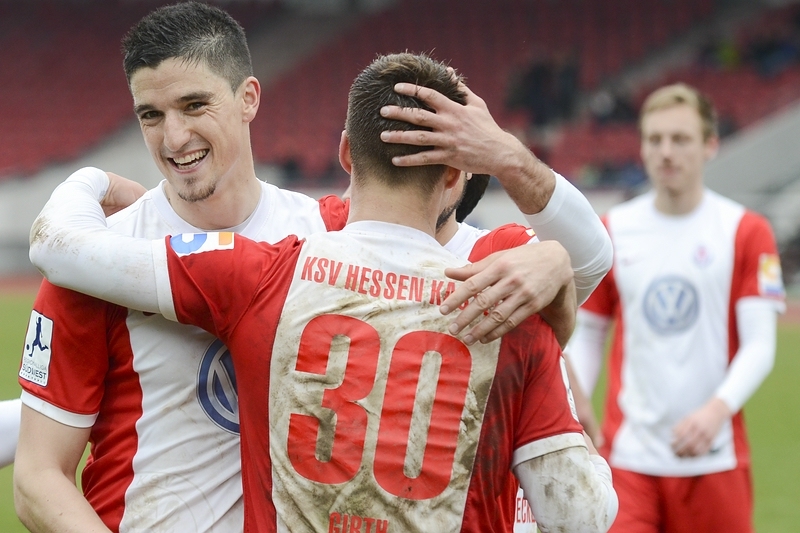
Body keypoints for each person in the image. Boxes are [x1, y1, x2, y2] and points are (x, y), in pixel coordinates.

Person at [14, 4, 612, 533]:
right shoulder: (99, 262)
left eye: (195, 105)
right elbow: (38, 479)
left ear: (249, 98)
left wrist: (553, 258)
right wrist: (89, 182)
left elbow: (551, 261)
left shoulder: (329, 234)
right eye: (150, 115)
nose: (174, 137)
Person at [565, 83, 786, 533]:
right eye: (655, 139)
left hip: (714, 456)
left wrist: (717, 410)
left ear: (710, 145)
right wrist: (576, 405)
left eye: (680, 139)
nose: (666, 152)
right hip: (628, 457)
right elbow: (587, 333)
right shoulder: (612, 231)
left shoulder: (746, 231)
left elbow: (760, 344)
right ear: (642, 146)